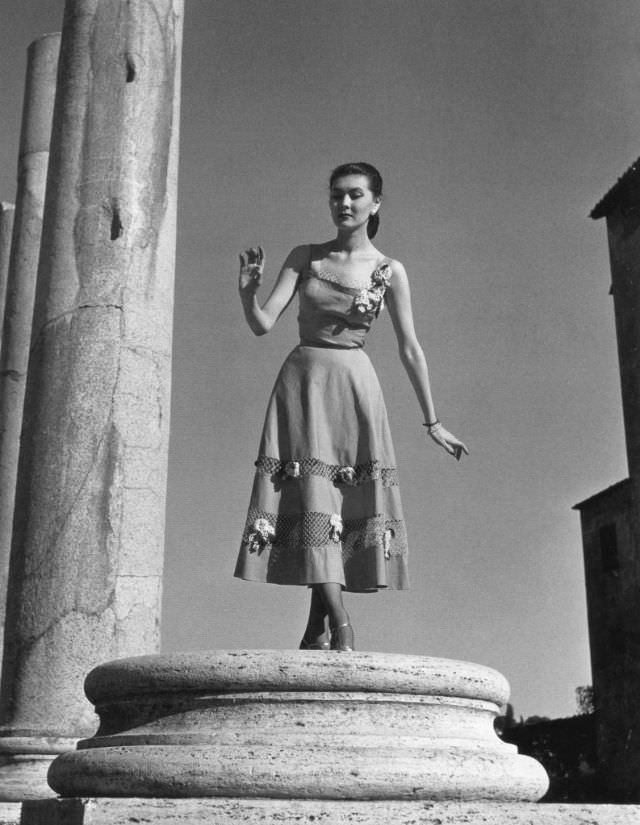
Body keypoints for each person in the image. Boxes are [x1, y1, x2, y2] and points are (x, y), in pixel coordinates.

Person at [234, 162, 468, 652]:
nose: (344, 203)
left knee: (339, 503)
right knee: (313, 497)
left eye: (355, 195)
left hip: (355, 387)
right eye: (336, 195)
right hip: (303, 384)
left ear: (375, 203)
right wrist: (247, 293)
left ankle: (317, 626)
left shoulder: (389, 271)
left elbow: (410, 347)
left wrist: (434, 422)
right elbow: (262, 323)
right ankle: (340, 622)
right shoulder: (306, 257)